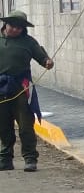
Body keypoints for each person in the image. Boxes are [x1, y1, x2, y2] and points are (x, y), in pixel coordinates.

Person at [0, 10, 54, 172]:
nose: (15, 30)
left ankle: (30, 159)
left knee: (25, 126)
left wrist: (47, 62)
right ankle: (5, 159)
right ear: (6, 25)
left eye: (20, 28)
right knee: (3, 126)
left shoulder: (29, 42)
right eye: (13, 26)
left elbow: (43, 58)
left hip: (22, 89)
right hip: (1, 88)